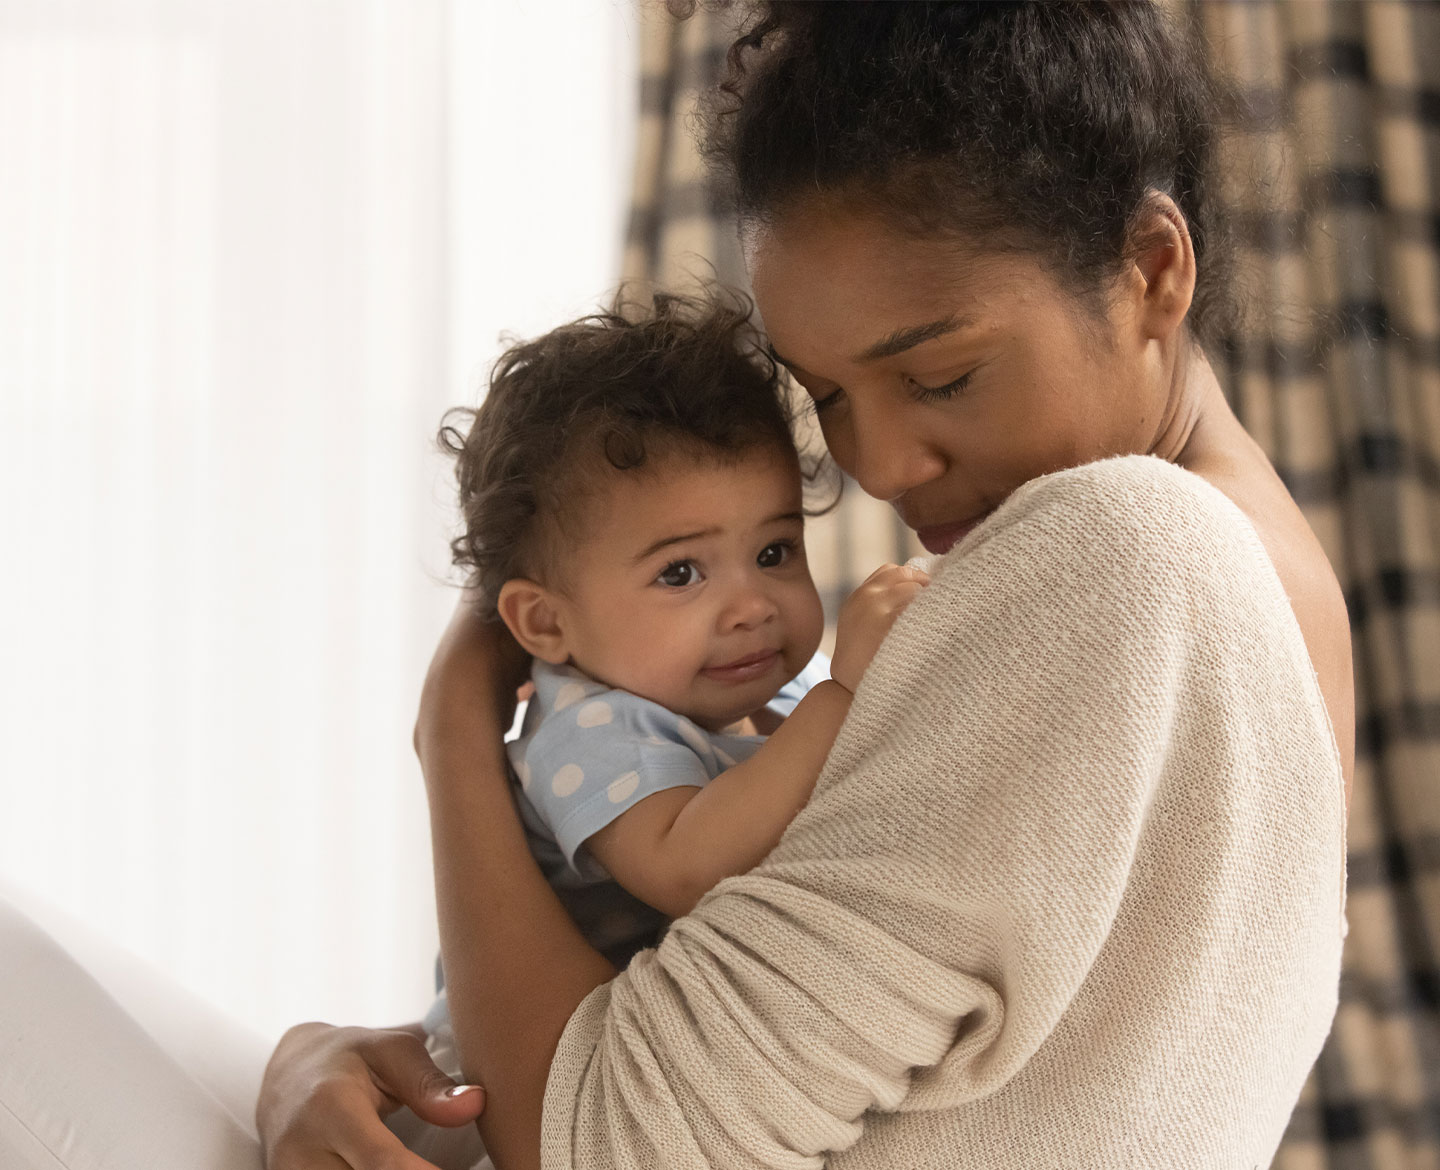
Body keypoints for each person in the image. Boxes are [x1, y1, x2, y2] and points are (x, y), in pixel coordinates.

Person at [0, 4, 1353, 1169]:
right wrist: (311, 1059)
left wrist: (458, 730)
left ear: (1154, 268)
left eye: (941, 375)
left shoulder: (1117, 555)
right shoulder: (1258, 575)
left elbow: (602, 1138)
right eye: (828, 396)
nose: (879, 461)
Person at [419, 287, 926, 1093]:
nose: (753, 606)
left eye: (773, 551)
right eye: (680, 572)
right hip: (492, 1097)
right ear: (546, 625)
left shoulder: (764, 711)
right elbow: (685, 866)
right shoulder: (588, 723)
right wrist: (845, 695)